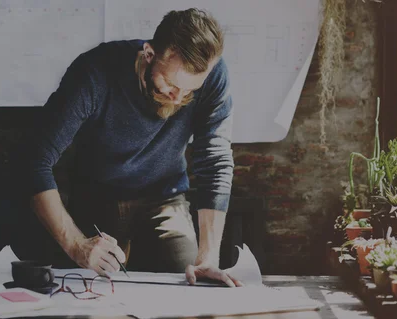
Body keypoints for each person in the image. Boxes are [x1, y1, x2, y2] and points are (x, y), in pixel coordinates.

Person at [16, 8, 241, 287]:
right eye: (171, 84)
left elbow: (215, 163)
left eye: (190, 90)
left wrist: (208, 258)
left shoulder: (214, 75)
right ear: (149, 54)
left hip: (165, 195)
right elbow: (35, 160)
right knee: (87, 292)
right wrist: (77, 245)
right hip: (97, 195)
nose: (179, 98)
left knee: (190, 281)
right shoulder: (95, 73)